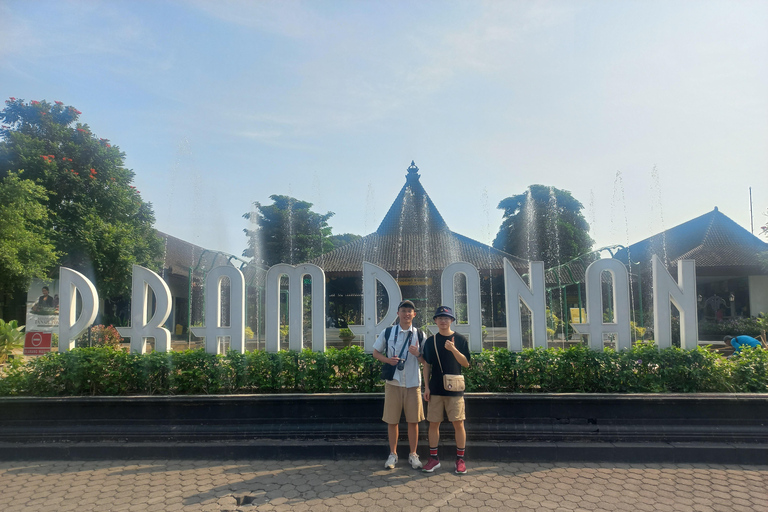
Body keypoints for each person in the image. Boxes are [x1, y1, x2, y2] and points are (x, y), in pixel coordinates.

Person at [372, 300, 426, 470]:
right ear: (398, 314)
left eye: (410, 311)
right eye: (403, 311)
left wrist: (418, 354)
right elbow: (375, 352)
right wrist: (388, 360)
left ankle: (413, 454)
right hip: (393, 382)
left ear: (414, 314)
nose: (406, 314)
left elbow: (426, 361)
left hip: (412, 383)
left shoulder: (420, 335)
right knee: (392, 420)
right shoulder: (388, 332)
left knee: (413, 421)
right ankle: (393, 454)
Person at [421, 305, 471, 474]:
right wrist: (426, 387)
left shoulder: (460, 339)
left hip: (455, 389)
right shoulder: (431, 341)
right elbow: (427, 364)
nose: (443, 321)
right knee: (433, 423)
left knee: (458, 423)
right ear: (435, 321)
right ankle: (434, 459)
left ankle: (460, 459)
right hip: (435, 389)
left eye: (446, 318)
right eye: (440, 318)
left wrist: (453, 349)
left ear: (451, 321)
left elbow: (466, 363)